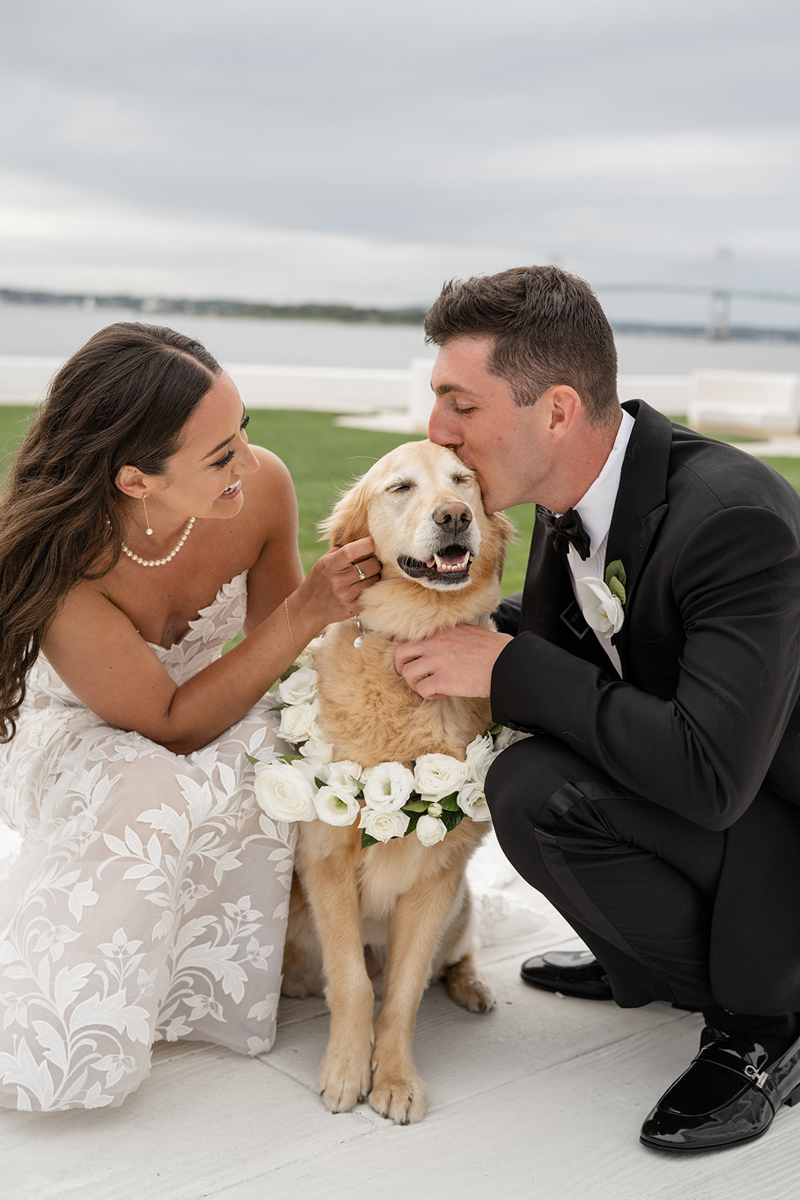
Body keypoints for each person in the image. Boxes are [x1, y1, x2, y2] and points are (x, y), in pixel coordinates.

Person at [394, 265, 800, 1152]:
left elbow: (714, 774)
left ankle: (767, 1024)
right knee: (531, 778)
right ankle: (643, 963)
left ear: (558, 411)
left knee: (537, 784)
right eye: (438, 401)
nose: (438, 430)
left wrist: (506, 668)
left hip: (777, 819)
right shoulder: (563, 488)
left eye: (461, 404)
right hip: (723, 800)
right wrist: (417, 620)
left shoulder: (735, 518)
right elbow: (591, 641)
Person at [0, 322, 380, 1111]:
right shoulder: (65, 563)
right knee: (141, 779)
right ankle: (106, 1003)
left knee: (280, 755)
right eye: (219, 457)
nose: (248, 461)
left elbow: (284, 652)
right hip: (88, 724)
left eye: (244, 430)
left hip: (213, 694)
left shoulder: (261, 487)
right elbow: (168, 723)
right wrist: (310, 608)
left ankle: (274, 961)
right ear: (137, 481)